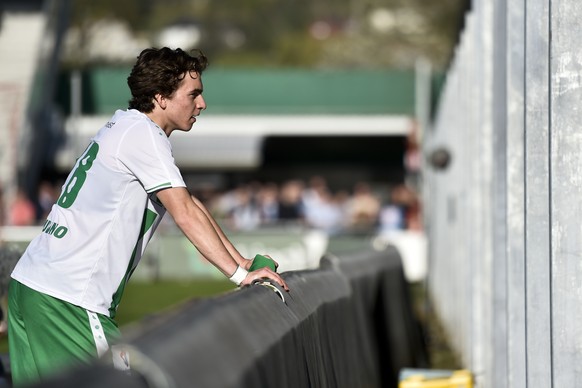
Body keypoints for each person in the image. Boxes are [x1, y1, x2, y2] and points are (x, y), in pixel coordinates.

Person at [7, 47, 288, 387]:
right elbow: (183, 212)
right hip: (68, 300)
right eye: (194, 94)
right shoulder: (144, 136)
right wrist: (241, 275)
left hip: (34, 287)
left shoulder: (126, 126)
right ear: (161, 97)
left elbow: (188, 203)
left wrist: (241, 261)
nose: (202, 104)